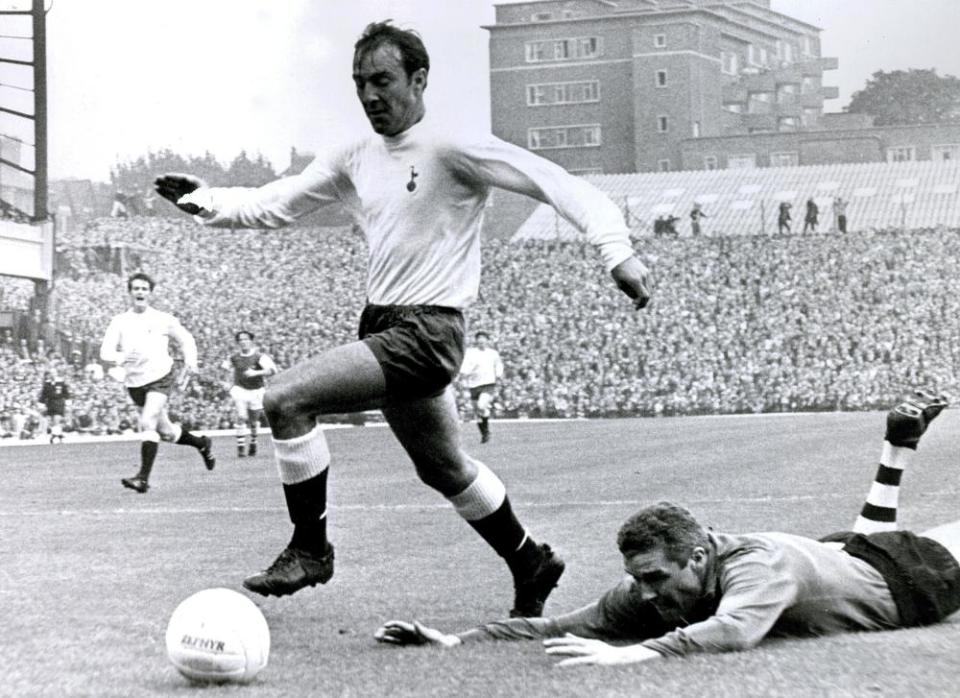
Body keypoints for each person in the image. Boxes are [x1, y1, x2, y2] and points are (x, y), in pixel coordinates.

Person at [154, 20, 651, 616]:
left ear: (419, 79)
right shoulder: (354, 154)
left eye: (382, 80)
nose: (369, 95)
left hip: (429, 330)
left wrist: (615, 250)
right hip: (385, 325)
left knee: (284, 400)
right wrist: (205, 200)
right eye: (360, 82)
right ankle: (530, 561)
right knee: (445, 468)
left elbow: (554, 182)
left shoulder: (452, 144)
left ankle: (311, 550)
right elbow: (276, 203)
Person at [375, 390, 960, 667]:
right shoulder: (647, 586)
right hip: (850, 556)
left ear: (699, 558)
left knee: (891, 548)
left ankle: (896, 448)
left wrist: (631, 658)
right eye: (640, 580)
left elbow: (734, 633)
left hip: (919, 578)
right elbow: (553, 623)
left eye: (655, 577)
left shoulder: (758, 566)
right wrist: (456, 641)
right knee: (859, 546)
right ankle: (897, 447)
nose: (645, 592)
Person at [100, 272, 216, 493]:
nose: (140, 292)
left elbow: (186, 339)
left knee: (147, 421)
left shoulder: (163, 319)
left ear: (150, 293)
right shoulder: (120, 321)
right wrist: (121, 357)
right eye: (136, 288)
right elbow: (105, 352)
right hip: (135, 383)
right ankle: (202, 444)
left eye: (144, 289)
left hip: (161, 376)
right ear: (130, 292)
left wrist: (191, 362)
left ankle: (142, 479)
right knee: (167, 433)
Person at [222, 330, 278, 457]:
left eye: (246, 339)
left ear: (251, 341)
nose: (243, 342)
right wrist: (226, 382)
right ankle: (241, 447)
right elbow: (225, 368)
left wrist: (256, 373)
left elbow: (272, 370)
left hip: (256, 391)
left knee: (253, 421)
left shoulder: (259, 357)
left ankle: (253, 442)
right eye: (240, 340)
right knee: (241, 416)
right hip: (240, 390)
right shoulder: (234, 357)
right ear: (238, 343)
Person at [459, 331, 503, 444]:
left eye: (483, 340)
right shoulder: (470, 353)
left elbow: (498, 365)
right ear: (476, 341)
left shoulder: (493, 353)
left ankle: (486, 429)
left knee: (480, 405)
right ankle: (485, 434)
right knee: (479, 411)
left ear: (487, 341)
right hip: (473, 384)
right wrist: (464, 374)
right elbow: (465, 367)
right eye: (479, 340)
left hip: (488, 384)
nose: (481, 342)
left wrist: (498, 374)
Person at [38, 368, 70, 443]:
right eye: (51, 373)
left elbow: (66, 394)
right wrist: (41, 405)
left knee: (56, 419)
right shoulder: (47, 384)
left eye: (54, 373)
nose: (52, 374)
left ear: (56, 373)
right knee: (53, 421)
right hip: (50, 403)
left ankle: (55, 436)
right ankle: (59, 435)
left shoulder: (61, 383)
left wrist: (68, 404)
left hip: (59, 403)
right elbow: (43, 395)